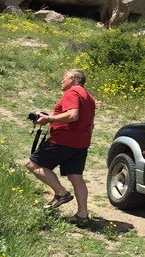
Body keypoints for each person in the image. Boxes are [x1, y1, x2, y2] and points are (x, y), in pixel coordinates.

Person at [26, 69, 96, 226]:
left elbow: (73, 115)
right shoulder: (89, 97)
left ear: (72, 79)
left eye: (63, 78)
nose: (61, 81)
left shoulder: (72, 93)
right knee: (76, 177)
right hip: (81, 142)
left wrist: (49, 118)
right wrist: (49, 116)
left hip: (63, 140)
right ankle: (82, 215)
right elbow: (89, 122)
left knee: (32, 164)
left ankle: (61, 194)